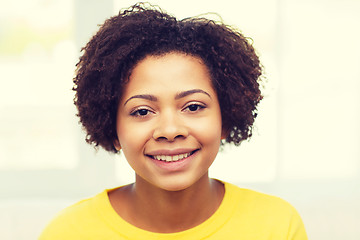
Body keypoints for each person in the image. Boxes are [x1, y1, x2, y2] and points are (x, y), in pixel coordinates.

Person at [39, 3, 307, 239]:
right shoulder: (68, 233)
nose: (170, 130)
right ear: (112, 129)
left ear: (225, 118)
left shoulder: (276, 226)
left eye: (193, 106)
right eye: (142, 111)